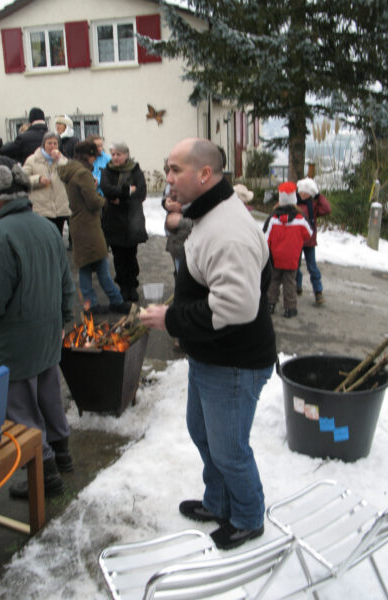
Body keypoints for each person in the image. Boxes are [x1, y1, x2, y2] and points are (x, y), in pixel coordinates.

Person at [140, 138, 277, 551]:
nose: (167, 178)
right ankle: (218, 502)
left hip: (234, 363)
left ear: (204, 174)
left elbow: (236, 306)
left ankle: (248, 517)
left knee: (229, 449)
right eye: (167, 168)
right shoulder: (210, 213)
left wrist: (172, 319)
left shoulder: (227, 230)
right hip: (211, 355)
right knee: (202, 433)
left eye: (175, 170)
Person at [0, 156, 75, 497]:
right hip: (48, 333)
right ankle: (62, 454)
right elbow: (66, 282)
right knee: (49, 396)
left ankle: (44, 473)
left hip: (15, 339)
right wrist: (65, 318)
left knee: (19, 408)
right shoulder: (46, 226)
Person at [58, 141, 129, 315]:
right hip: (88, 225)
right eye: (93, 156)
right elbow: (93, 201)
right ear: (87, 155)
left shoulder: (72, 171)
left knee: (86, 266)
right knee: (100, 263)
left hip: (78, 223)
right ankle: (116, 301)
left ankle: (91, 304)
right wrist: (106, 200)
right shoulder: (83, 173)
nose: (95, 159)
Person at [100, 142, 147, 302]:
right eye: (113, 154)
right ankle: (123, 287)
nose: (115, 157)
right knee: (119, 258)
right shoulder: (107, 170)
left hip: (133, 220)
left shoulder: (135, 170)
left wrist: (120, 199)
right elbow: (106, 189)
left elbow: (141, 193)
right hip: (114, 221)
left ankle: (132, 286)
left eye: (118, 154)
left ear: (126, 155)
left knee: (131, 257)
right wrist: (127, 190)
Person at [263, 181, 312, 317]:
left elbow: (264, 236)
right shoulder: (301, 219)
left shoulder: (273, 218)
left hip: (275, 257)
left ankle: (270, 304)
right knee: (289, 282)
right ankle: (290, 309)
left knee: (274, 280)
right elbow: (309, 234)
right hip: (292, 258)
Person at [22, 132, 71, 237]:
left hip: (59, 209)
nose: (52, 146)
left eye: (55, 143)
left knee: (57, 237)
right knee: (43, 237)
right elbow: (22, 179)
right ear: (44, 144)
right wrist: (38, 180)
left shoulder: (63, 160)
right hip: (41, 208)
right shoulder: (33, 160)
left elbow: (68, 175)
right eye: (49, 143)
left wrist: (58, 161)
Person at [296, 177, 331, 304]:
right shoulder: (295, 203)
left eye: (306, 192)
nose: (303, 194)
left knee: (312, 267)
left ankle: (318, 291)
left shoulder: (314, 205)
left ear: (311, 194)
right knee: (295, 266)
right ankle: (297, 286)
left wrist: (319, 196)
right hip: (297, 239)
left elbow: (327, 209)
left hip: (309, 241)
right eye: (301, 191)